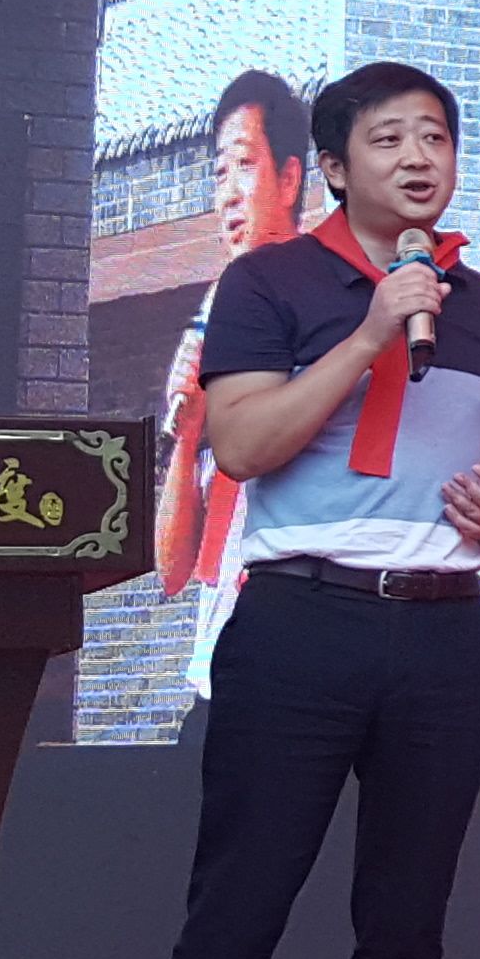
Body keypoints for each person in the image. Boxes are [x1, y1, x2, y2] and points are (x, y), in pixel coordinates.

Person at [117, 62, 480, 959]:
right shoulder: (269, 283)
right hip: (299, 622)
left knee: (405, 924)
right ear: (338, 167)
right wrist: (369, 332)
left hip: (441, 629)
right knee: (237, 911)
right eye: (389, 140)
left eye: (435, 138)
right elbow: (245, 445)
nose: (418, 158)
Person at [150, 69, 312, 674]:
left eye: (245, 165)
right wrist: (187, 430)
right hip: (220, 656)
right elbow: (171, 571)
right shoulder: (217, 309)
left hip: (304, 643)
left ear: (290, 179)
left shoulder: (329, 307)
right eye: (220, 174)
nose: (229, 195)